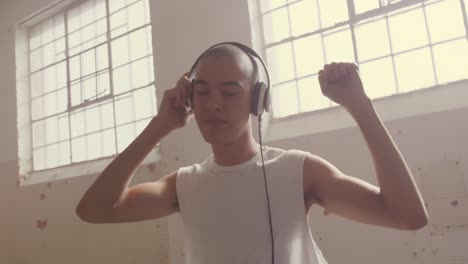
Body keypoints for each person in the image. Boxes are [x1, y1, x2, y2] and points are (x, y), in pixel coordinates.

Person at [76, 43, 428, 264]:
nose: (213, 104)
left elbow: (407, 215)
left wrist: (359, 105)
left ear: (258, 101)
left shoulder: (298, 170)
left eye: (230, 92)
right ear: (189, 99)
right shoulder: (184, 185)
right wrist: (159, 126)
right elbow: (93, 210)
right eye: (202, 92)